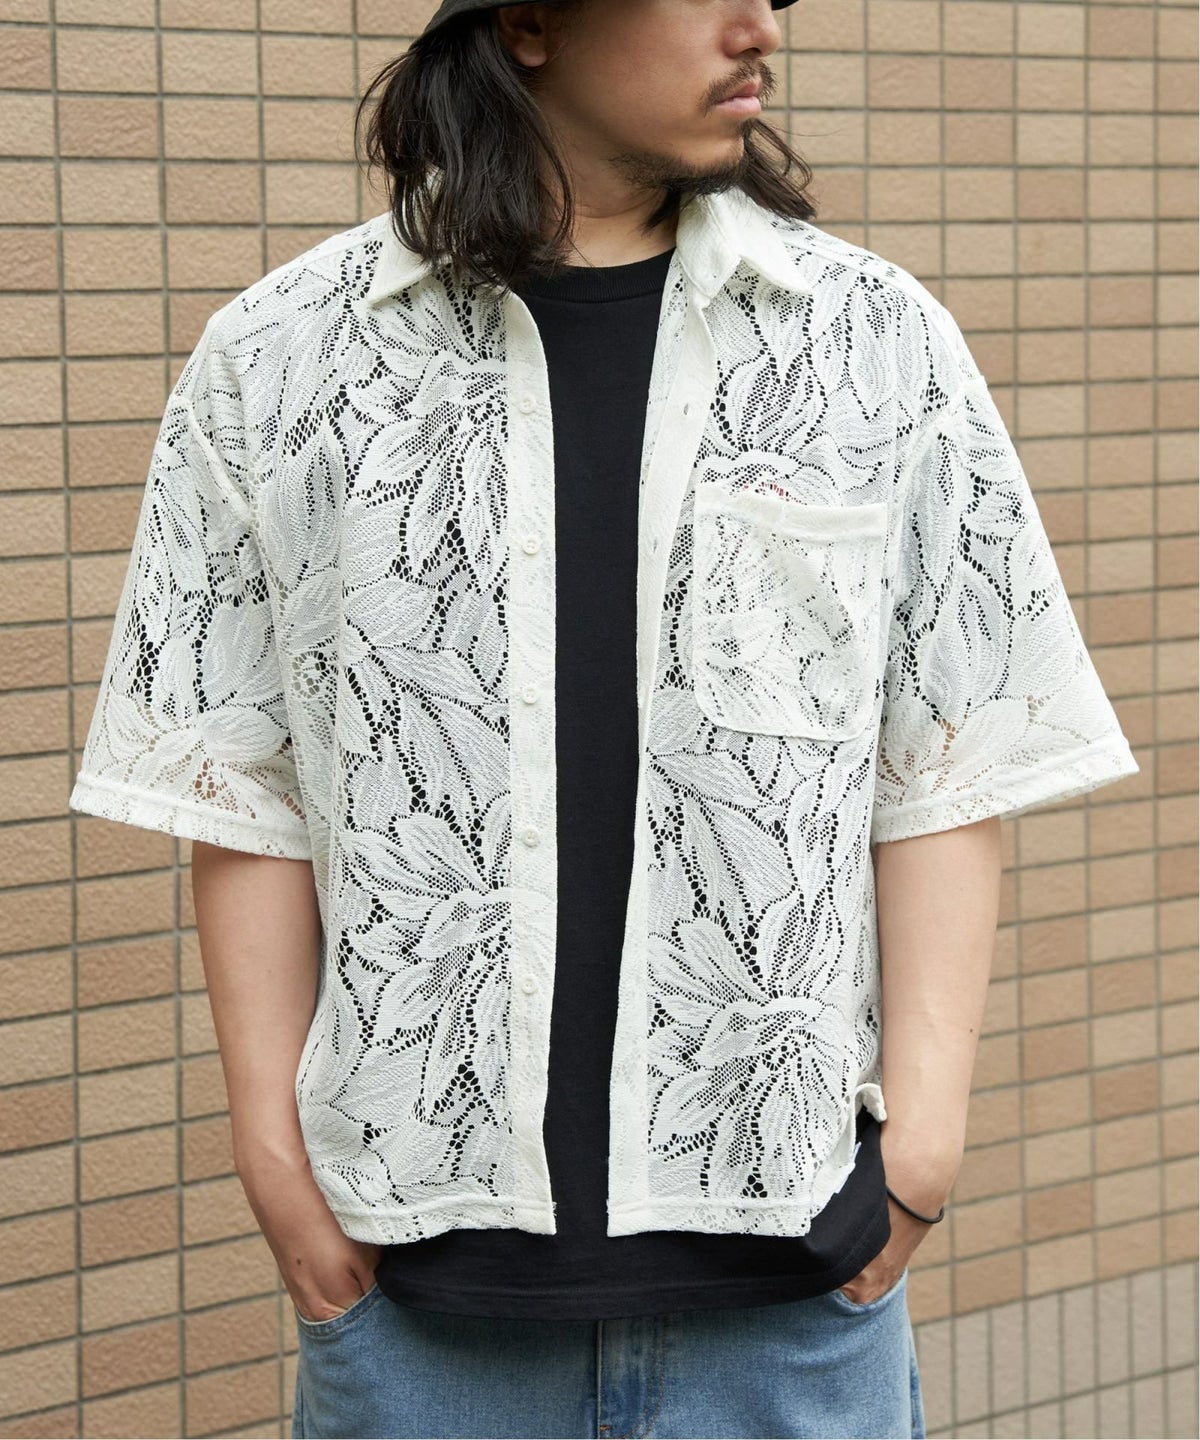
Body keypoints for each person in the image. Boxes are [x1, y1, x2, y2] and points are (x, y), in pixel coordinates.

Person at [68, 1, 1141, 1436]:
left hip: (792, 1307)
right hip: (421, 1321)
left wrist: (921, 1159)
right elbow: (243, 787)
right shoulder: (285, 359)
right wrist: (282, 1180)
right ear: (531, 23)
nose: (758, 29)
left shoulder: (873, 344)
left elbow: (946, 758)